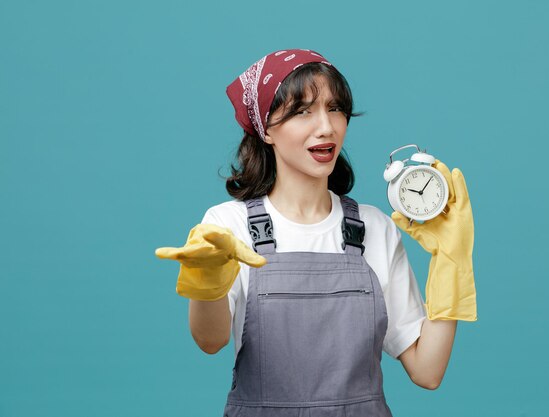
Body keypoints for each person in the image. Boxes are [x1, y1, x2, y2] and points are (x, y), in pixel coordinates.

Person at [155, 48, 477, 417]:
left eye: (335, 108)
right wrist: (207, 281)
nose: (326, 126)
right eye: (303, 111)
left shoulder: (374, 228)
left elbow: (428, 370)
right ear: (267, 129)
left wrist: (451, 260)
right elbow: (209, 341)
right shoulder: (228, 225)